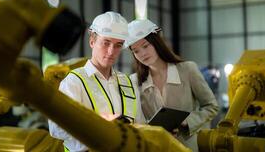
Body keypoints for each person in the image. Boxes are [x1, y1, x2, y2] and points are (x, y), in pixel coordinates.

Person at [48, 12, 145, 152]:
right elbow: (56, 129)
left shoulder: (128, 83)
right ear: (92, 41)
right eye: (106, 43)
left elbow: (140, 125)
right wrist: (97, 125)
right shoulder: (74, 82)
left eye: (118, 45)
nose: (111, 51)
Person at [125, 19, 219, 152]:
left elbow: (211, 106)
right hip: (156, 148)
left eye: (145, 46)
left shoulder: (187, 70)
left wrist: (188, 122)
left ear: (157, 42)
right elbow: (137, 121)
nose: (142, 54)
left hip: (186, 147)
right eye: (136, 51)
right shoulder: (134, 81)